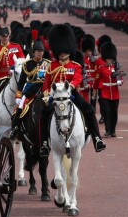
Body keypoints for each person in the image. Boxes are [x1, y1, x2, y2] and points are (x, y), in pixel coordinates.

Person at [39, 24, 106, 156]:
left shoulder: (74, 65)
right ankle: (45, 144)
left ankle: (97, 139)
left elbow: (77, 78)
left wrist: (70, 87)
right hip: (55, 94)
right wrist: (46, 94)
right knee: (44, 114)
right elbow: (47, 82)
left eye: (65, 50)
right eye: (61, 50)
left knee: (89, 110)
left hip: (71, 93)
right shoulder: (52, 66)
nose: (63, 52)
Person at [9, 35, 50, 139]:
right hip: (30, 90)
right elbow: (22, 81)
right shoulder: (27, 64)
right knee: (21, 107)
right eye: (38, 51)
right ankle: (15, 128)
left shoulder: (48, 63)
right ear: (33, 52)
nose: (40, 53)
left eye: (41, 50)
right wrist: (18, 95)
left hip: (45, 89)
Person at [94, 42, 123, 137]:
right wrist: (95, 89)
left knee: (114, 112)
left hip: (114, 93)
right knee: (107, 112)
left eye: (110, 59)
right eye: (107, 59)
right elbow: (97, 80)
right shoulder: (101, 68)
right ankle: (107, 130)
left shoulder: (116, 68)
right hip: (104, 92)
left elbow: (120, 80)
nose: (108, 61)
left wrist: (120, 81)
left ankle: (113, 130)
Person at [0, 26, 25, 101]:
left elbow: (22, 60)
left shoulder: (16, 46)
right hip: (2, 77)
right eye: (3, 36)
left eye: (6, 36)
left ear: (9, 36)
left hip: (16, 75)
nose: (5, 38)